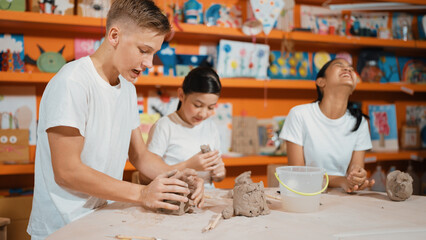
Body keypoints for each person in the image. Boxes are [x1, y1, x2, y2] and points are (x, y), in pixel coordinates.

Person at [27, 0, 204, 239]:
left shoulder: (127, 88)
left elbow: (139, 155)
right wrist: (142, 194)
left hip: (101, 221)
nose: (149, 63)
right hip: (62, 228)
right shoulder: (72, 83)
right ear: (114, 35)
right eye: (144, 50)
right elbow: (66, 171)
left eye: (153, 53)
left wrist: (178, 178)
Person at [280, 58, 375, 193]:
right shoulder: (299, 115)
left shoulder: (360, 122)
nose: (348, 69)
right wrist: (341, 181)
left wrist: (357, 178)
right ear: (321, 82)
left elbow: (355, 168)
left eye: (351, 68)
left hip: (343, 199)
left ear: (353, 87)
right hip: (306, 196)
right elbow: (299, 174)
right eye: (338, 65)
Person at [145, 67, 226, 189]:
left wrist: (220, 173)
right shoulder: (165, 126)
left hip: (207, 198)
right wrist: (188, 165)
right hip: (176, 199)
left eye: (210, 108)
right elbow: (145, 176)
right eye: (197, 105)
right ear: (181, 95)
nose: (203, 114)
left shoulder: (211, 127)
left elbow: (217, 175)